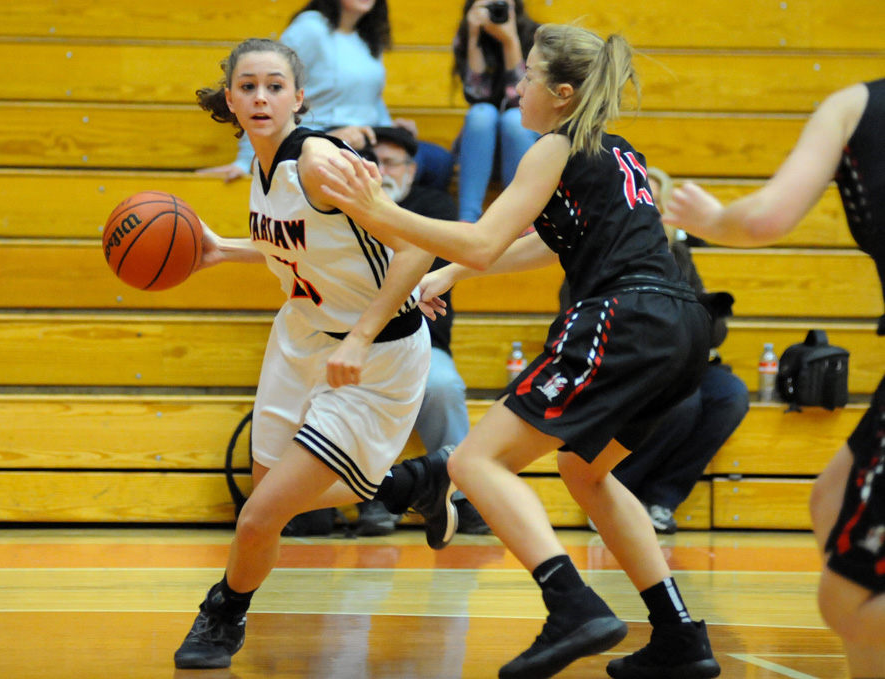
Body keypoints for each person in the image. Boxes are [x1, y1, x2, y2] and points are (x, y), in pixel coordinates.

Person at [320, 22, 721, 679]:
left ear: (561, 93)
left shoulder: (554, 147)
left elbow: (480, 238)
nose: (518, 84)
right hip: (681, 325)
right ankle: (680, 634)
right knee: (585, 473)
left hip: (623, 317)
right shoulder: (615, 152)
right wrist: (452, 273)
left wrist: (377, 211)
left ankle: (571, 605)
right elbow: (549, 241)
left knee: (477, 461)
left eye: (528, 75)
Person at [173, 38, 460, 671]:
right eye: (247, 86)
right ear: (230, 98)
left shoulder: (321, 161)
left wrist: (362, 332)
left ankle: (223, 615)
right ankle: (413, 481)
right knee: (268, 494)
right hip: (302, 336)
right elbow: (300, 244)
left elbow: (416, 247)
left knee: (259, 518)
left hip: (374, 356)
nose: (260, 97)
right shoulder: (264, 161)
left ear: (299, 98)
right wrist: (224, 248)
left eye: (274, 85)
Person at [666, 79, 885, 679]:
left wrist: (711, 217)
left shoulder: (854, 106)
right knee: (830, 499)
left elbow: (763, 220)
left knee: (847, 600)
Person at [565, 167, 750, 534]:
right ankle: (614, 495)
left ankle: (662, 499)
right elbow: (578, 321)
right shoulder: (594, 249)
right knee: (681, 401)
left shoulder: (677, 253)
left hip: (683, 359)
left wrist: (704, 314)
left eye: (651, 202)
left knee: (731, 395)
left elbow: (716, 333)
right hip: (627, 362)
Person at [354, 127, 490, 536]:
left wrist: (375, 208)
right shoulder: (343, 211)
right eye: (372, 162)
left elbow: (423, 274)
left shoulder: (434, 206)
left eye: (392, 162)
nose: (382, 170)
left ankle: (463, 499)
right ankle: (371, 498)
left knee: (444, 386)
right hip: (357, 344)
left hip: (423, 340)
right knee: (347, 389)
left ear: (413, 170)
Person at [199, 0, 455, 191]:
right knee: (397, 165)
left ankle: (414, 245)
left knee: (438, 161)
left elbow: (371, 98)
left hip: (368, 132)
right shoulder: (310, 28)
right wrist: (248, 160)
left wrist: (392, 128)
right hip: (319, 133)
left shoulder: (366, 37)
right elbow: (264, 85)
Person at [451, 0, 540, 223]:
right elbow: (477, 95)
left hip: (524, 140)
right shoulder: (466, 35)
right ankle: (467, 220)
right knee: (481, 113)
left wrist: (510, 41)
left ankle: (518, 221)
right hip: (480, 145)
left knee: (513, 119)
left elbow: (522, 100)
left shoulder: (536, 36)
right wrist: (473, 37)